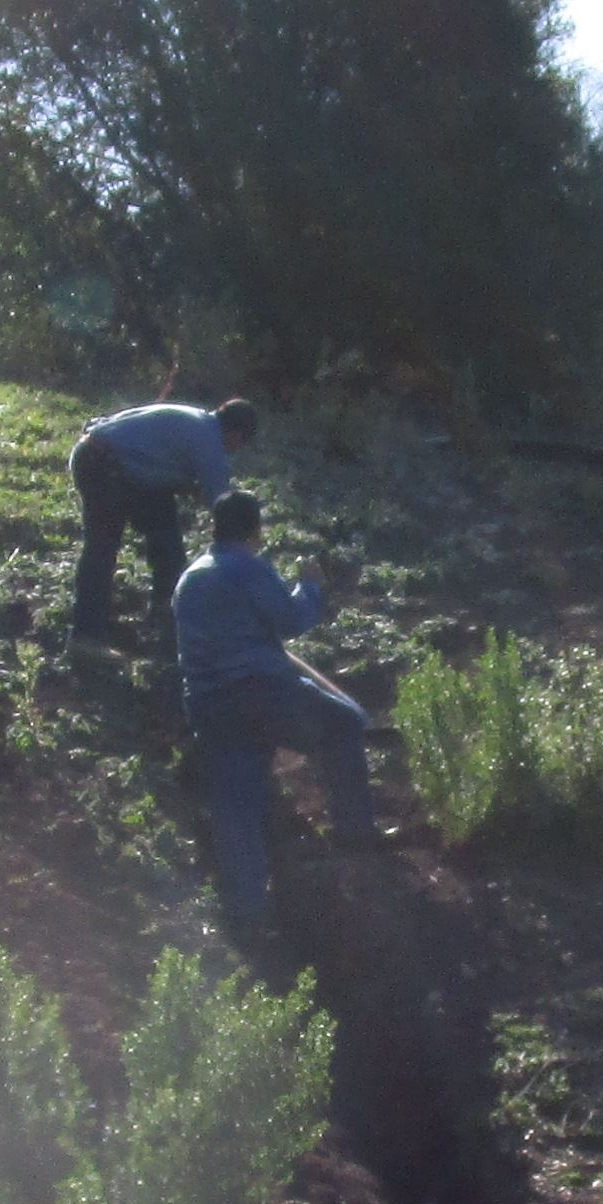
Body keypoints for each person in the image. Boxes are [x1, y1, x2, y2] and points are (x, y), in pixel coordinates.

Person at [167, 488, 382, 927]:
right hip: (265, 691)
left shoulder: (189, 579)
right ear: (255, 530)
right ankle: (354, 838)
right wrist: (310, 585)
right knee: (342, 725)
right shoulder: (247, 567)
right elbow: (292, 620)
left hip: (208, 702)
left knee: (235, 801)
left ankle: (248, 913)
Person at [67, 395, 259, 647]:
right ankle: (86, 634)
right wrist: (244, 554)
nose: (234, 452)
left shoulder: (195, 420)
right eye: (239, 445)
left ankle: (166, 615)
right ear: (236, 435)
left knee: (167, 537)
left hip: (116, 463)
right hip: (102, 464)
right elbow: (223, 505)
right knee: (102, 547)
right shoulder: (209, 440)